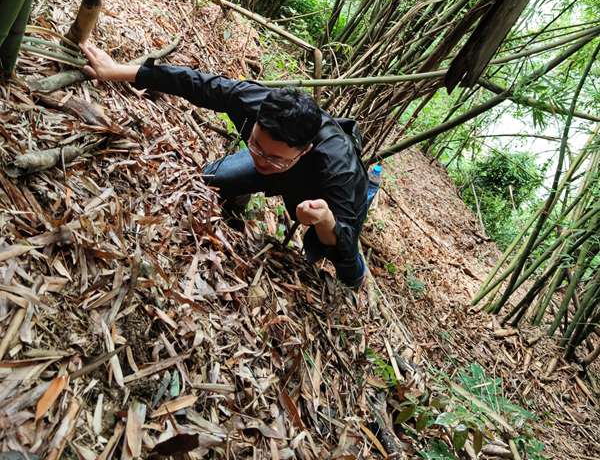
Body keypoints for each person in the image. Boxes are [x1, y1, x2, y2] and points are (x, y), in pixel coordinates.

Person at [81, 42, 378, 290]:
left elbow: (343, 240)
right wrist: (118, 71)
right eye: (256, 145)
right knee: (211, 179)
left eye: (274, 156)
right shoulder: (258, 103)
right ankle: (240, 196)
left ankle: (356, 274)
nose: (261, 159)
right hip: (284, 174)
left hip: (319, 194)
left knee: (347, 266)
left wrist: (325, 221)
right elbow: (197, 84)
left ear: (305, 150)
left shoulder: (338, 171)